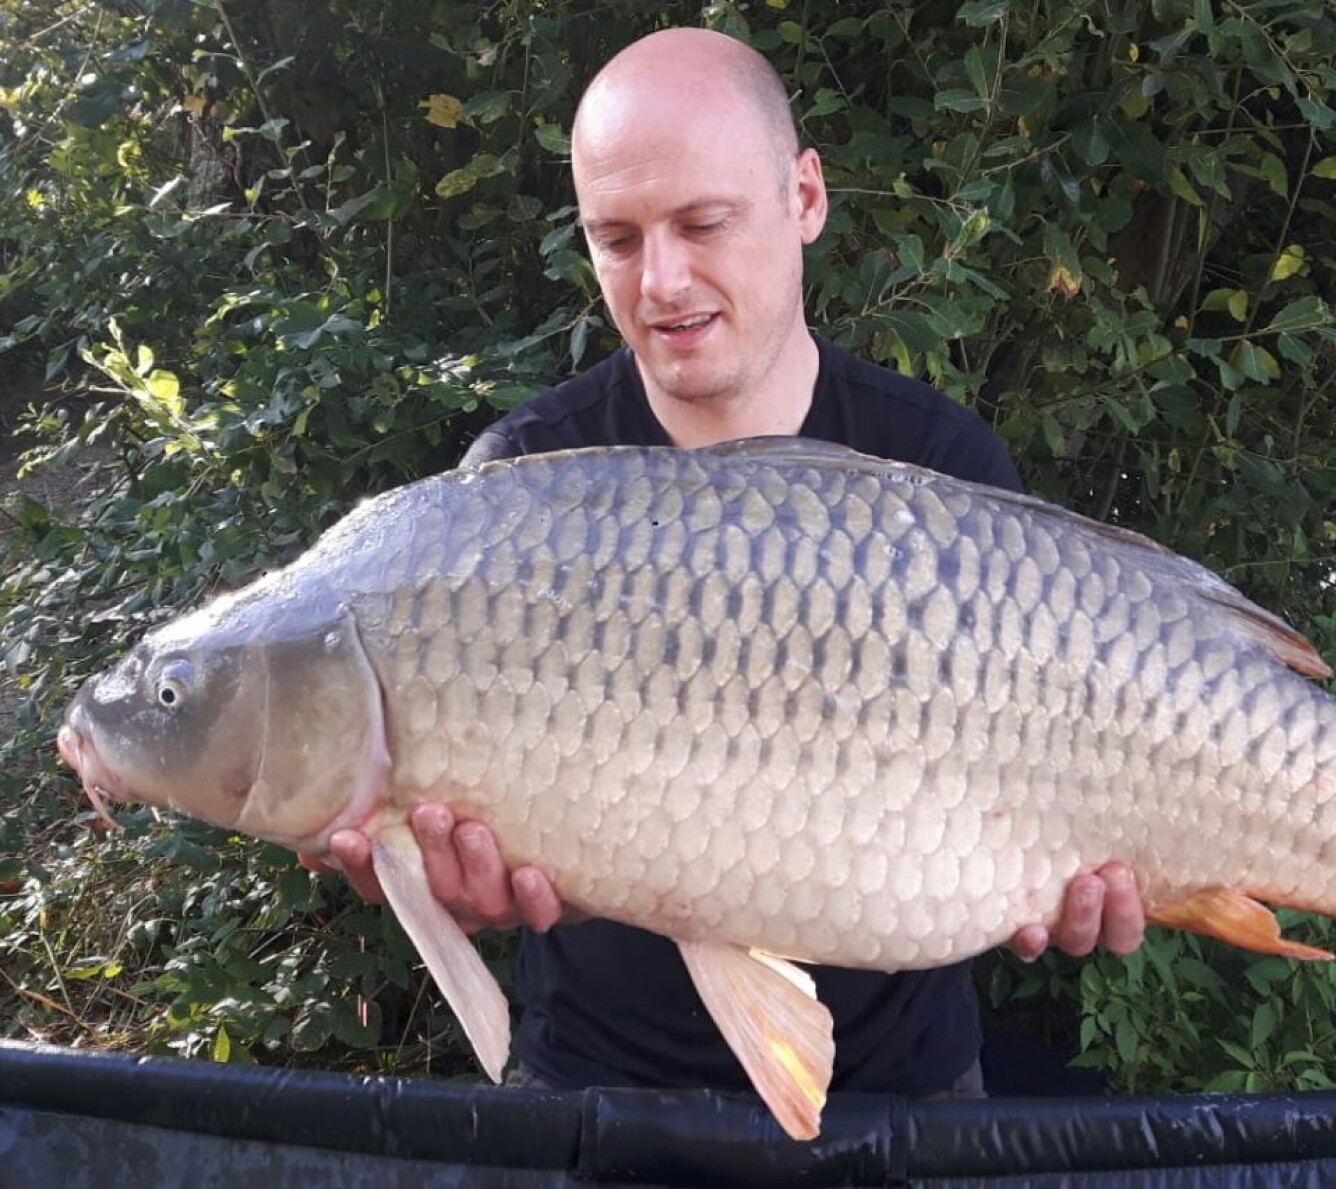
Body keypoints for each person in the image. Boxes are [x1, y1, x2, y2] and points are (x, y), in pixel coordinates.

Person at [308, 26, 1145, 1101]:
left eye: (703, 224)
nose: (661, 282)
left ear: (806, 198)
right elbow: (444, 837)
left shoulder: (938, 465)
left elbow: (1045, 793)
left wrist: (1079, 873)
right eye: (617, 239)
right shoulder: (519, 489)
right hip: (594, 1083)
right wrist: (445, 886)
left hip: (905, 1088)